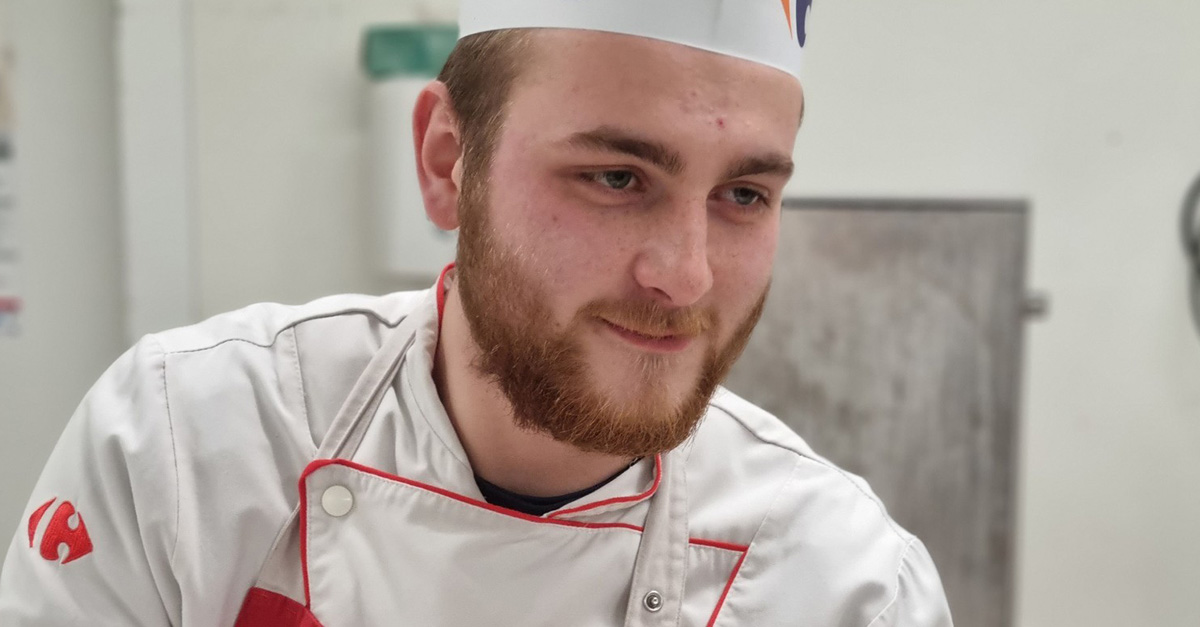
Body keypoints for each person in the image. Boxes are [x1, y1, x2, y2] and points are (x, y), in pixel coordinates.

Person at [0, 1, 954, 625]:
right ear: (448, 160)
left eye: (743, 195)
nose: (687, 276)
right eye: (617, 177)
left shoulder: (845, 583)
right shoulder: (183, 447)